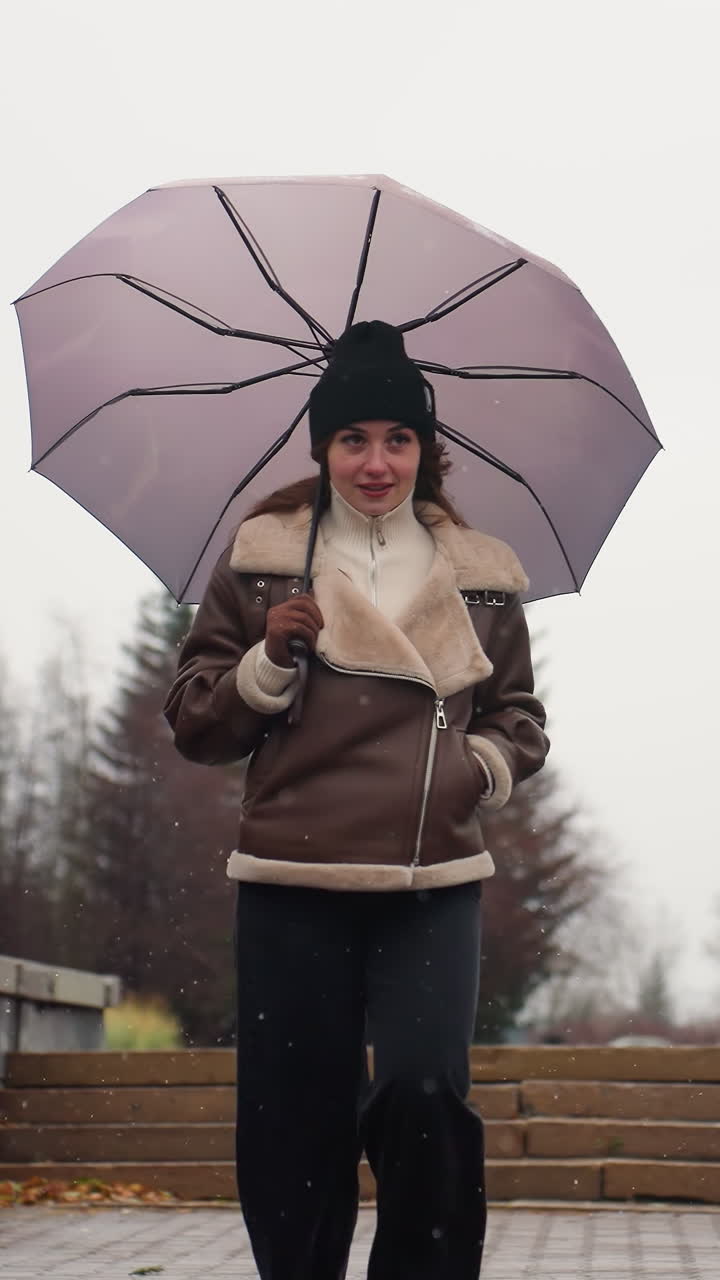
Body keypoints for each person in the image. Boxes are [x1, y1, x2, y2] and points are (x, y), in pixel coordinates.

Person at [164, 321, 549, 1280]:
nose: (376, 463)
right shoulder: (263, 559)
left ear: (425, 449)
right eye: (352, 439)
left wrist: (474, 768)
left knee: (424, 1090)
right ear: (321, 447)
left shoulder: (483, 573)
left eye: (397, 439)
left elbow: (520, 719)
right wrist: (266, 660)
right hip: (292, 871)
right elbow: (195, 722)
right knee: (294, 1116)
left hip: (431, 871)